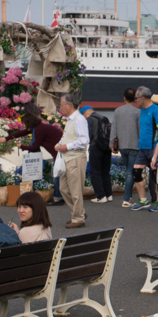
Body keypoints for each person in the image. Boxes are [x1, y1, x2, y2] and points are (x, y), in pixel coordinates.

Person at [52, 93, 90, 228]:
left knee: (75, 189)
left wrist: (66, 146)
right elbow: (69, 136)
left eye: (62, 105)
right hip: (68, 157)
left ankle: (78, 218)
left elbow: (84, 140)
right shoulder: (71, 119)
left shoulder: (79, 119)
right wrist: (60, 144)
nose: (61, 108)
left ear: (69, 105)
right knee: (64, 189)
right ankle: (78, 212)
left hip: (75, 157)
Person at [130, 86, 158, 212]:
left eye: (136, 99)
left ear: (142, 98)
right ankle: (143, 200)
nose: (135, 101)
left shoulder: (156, 110)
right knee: (136, 173)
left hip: (153, 148)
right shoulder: (142, 110)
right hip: (142, 148)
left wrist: (156, 151)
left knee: (156, 176)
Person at [110, 88, 143, 208]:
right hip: (134, 146)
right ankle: (126, 199)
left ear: (124, 97)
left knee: (128, 171)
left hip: (122, 145)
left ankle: (128, 197)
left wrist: (112, 144)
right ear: (134, 98)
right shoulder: (138, 112)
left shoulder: (117, 111)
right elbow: (140, 130)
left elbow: (114, 129)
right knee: (131, 172)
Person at [80, 105, 113, 203]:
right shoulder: (104, 118)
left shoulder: (90, 120)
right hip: (107, 147)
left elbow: (88, 135)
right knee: (105, 172)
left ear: (85, 112)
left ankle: (101, 196)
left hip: (96, 147)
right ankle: (109, 194)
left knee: (95, 172)